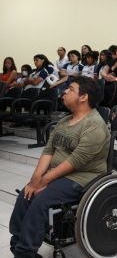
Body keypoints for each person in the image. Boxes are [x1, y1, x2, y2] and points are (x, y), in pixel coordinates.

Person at [9, 76, 110, 258]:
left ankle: (25, 252)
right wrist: (35, 179)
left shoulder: (95, 126)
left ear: (83, 97)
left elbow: (75, 162)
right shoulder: (65, 121)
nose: (64, 91)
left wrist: (44, 181)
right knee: (26, 194)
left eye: (70, 89)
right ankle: (17, 242)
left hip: (81, 177)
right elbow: (48, 151)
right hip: (58, 173)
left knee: (40, 201)